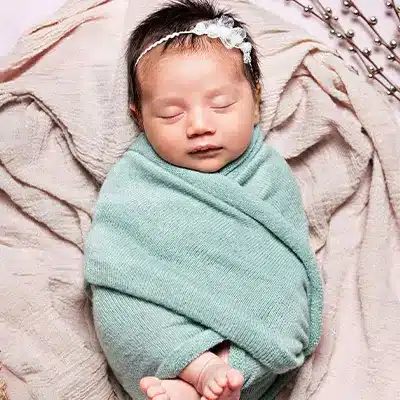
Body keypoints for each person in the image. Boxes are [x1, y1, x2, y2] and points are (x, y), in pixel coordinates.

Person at [84, 1, 323, 400]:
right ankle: (193, 369)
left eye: (221, 105)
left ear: (256, 101)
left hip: (244, 336)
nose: (199, 125)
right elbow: (117, 256)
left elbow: (283, 261)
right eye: (172, 114)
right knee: (120, 311)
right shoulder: (135, 177)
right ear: (139, 118)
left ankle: (227, 378)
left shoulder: (269, 171)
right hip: (162, 317)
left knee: (284, 313)